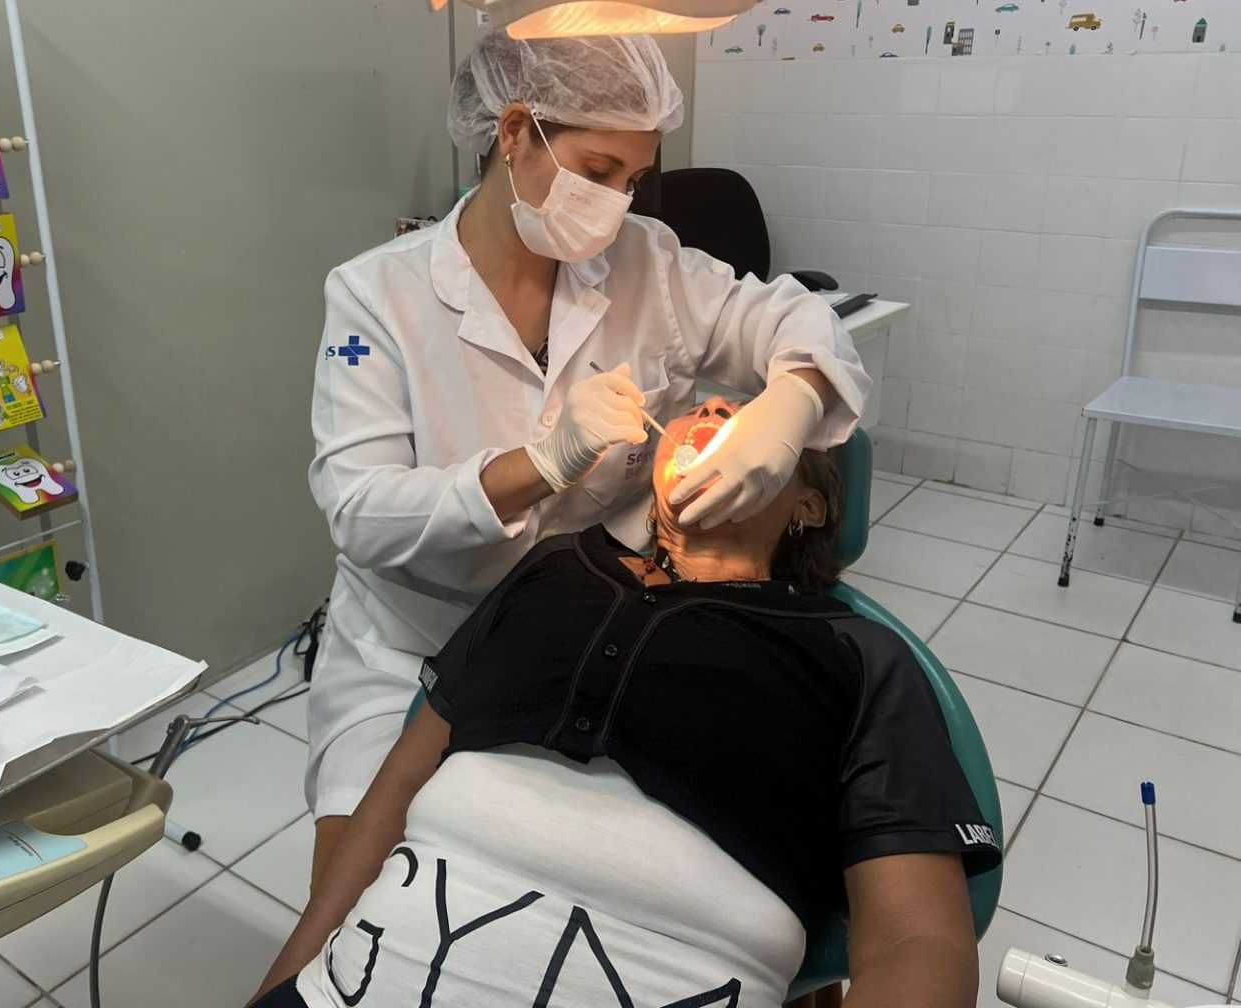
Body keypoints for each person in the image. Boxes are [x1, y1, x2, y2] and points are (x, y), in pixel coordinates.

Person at [308, 28, 872, 886]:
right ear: (514, 132)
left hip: (583, 629)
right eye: (598, 171)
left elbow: (796, 318)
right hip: (414, 639)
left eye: (635, 179)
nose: (616, 204)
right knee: (356, 884)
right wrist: (542, 462)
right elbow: (359, 510)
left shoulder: (646, 259)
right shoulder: (376, 295)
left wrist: (793, 399)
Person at [257, 399, 999, 1007]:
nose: (714, 409)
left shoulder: (859, 654)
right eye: (700, 409)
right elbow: (398, 783)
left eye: (748, 418)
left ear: (809, 502)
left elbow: (918, 945)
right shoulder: (554, 570)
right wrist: (284, 984)